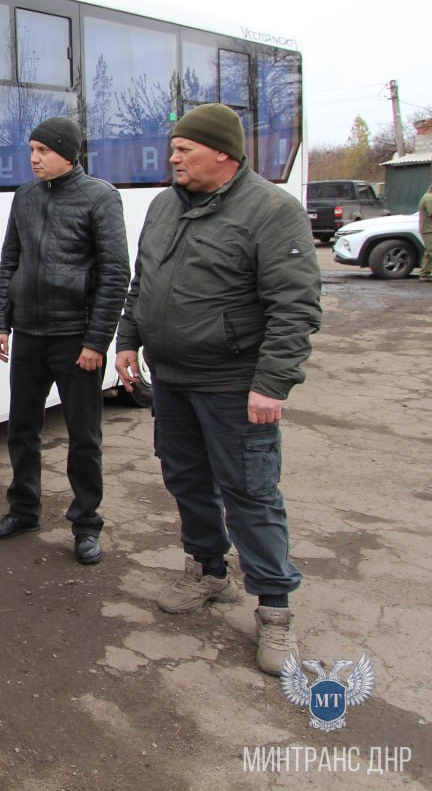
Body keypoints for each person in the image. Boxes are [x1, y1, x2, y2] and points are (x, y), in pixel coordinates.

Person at [114, 103, 321, 675]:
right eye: (173, 147)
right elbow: (143, 281)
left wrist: (272, 383)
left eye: (185, 148)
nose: (173, 156)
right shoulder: (162, 206)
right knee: (184, 477)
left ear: (223, 155)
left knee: (250, 492)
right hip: (173, 380)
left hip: (234, 385)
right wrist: (128, 339)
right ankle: (209, 573)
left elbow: (295, 307)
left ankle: (275, 613)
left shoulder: (271, 211)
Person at [0, 117, 129, 565]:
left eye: (43, 151)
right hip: (28, 335)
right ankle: (24, 510)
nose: (34, 158)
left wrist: (96, 340)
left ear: (68, 153)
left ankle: (86, 525)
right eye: (31, 150)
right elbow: (11, 260)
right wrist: (0, 323)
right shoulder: (24, 196)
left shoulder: (100, 197)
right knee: (21, 431)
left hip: (76, 341)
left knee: (83, 438)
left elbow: (115, 273)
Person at [418, 180, 432, 281]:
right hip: (428, 229)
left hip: (427, 228)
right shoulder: (429, 198)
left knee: (429, 252)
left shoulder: (427, 196)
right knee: (430, 251)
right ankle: (424, 274)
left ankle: (425, 273)